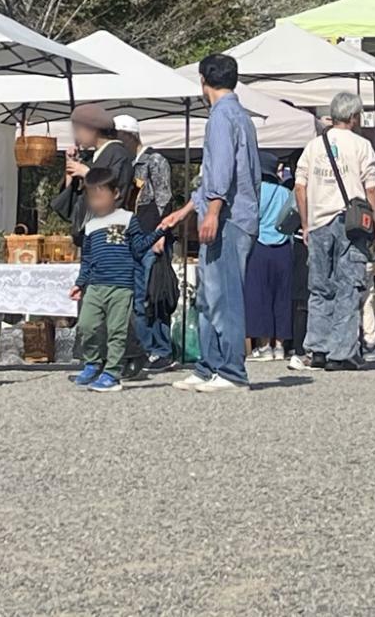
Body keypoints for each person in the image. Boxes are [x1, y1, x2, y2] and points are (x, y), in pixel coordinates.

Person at [157, 54, 260, 393]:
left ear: (203, 80)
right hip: (231, 213)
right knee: (209, 293)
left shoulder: (221, 118)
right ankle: (208, 365)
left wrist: (212, 212)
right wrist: (185, 211)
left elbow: (221, 174)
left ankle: (231, 370)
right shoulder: (241, 116)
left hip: (229, 218)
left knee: (224, 295)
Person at [293, 91, 375, 371]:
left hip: (318, 222)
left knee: (319, 288)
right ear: (354, 116)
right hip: (351, 223)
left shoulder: (314, 146)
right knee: (348, 286)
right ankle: (341, 352)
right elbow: (371, 188)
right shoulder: (362, 146)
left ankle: (317, 347)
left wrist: (305, 223)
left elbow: (300, 186)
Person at [68, 168, 157, 393]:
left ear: (115, 193)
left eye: (100, 196)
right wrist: (80, 283)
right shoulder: (90, 225)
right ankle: (92, 362)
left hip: (121, 286)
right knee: (87, 325)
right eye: (92, 197)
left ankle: (112, 373)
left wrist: (159, 233)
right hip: (95, 286)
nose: (96, 201)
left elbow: (138, 247)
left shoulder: (128, 219)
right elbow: (86, 260)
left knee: (117, 330)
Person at [115, 114, 176, 374]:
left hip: (153, 236)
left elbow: (164, 197)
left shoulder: (155, 160)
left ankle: (162, 350)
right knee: (138, 298)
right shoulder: (126, 164)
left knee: (155, 294)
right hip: (134, 237)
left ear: (129, 135)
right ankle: (145, 348)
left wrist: (161, 233)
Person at [48, 104, 133, 243]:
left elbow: (118, 193)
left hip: (110, 232)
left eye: (78, 130)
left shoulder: (118, 154)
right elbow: (75, 202)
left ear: (91, 130)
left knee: (113, 262)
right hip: (90, 231)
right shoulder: (93, 157)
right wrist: (71, 171)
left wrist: (87, 173)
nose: (76, 136)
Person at [244, 162, 297, 361]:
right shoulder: (285, 192)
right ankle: (281, 345)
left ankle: (265, 345)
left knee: (260, 297)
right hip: (283, 247)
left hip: (259, 246)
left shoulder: (255, 192)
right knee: (282, 297)